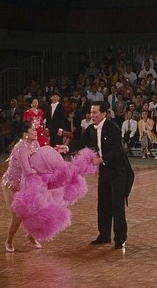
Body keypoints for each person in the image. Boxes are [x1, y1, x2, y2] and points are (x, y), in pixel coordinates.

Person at [1, 121, 97, 252]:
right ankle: (9, 240)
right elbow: (28, 170)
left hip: (28, 183)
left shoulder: (35, 143)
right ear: (25, 134)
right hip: (11, 184)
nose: (35, 132)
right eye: (32, 130)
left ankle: (31, 236)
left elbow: (40, 159)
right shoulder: (20, 147)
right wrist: (45, 172)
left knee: (38, 210)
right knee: (17, 216)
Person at [57, 101, 134, 249]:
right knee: (103, 204)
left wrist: (101, 159)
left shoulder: (113, 128)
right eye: (91, 112)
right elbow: (80, 143)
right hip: (104, 171)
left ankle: (120, 239)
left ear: (104, 114)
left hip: (119, 171)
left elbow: (118, 150)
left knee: (117, 206)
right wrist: (66, 148)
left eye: (95, 112)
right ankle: (104, 236)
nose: (91, 115)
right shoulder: (91, 129)